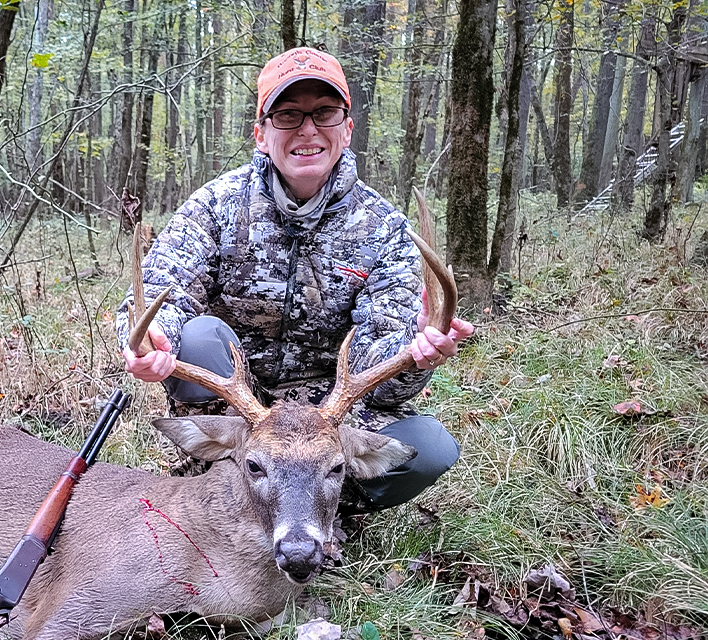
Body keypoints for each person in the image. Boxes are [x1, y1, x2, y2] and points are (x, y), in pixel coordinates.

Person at [116, 47, 475, 512]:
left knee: (429, 448)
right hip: (243, 413)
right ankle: (221, 486)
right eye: (287, 116)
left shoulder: (384, 228)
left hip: (332, 414)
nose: (308, 129)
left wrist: (418, 352)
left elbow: (381, 377)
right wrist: (148, 340)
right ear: (261, 135)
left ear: (346, 129)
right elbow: (158, 294)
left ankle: (313, 507)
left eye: (324, 113)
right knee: (201, 335)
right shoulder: (217, 205)